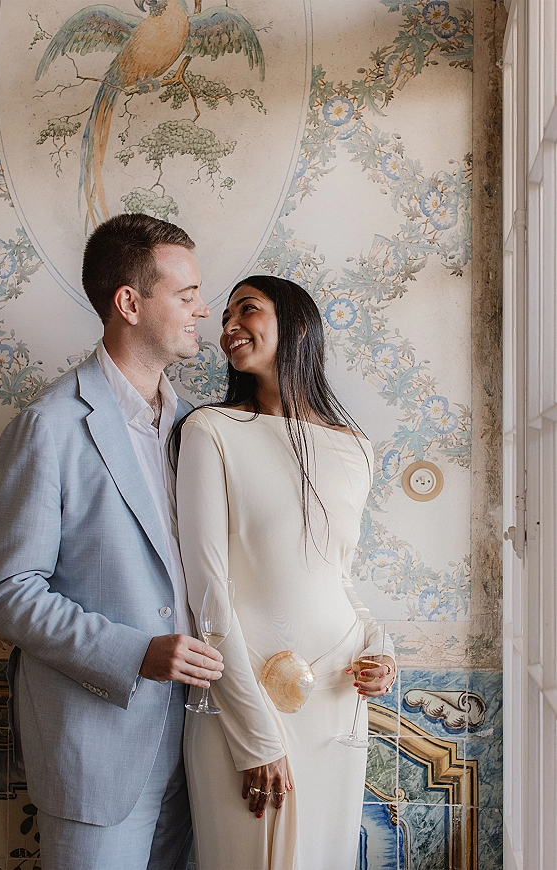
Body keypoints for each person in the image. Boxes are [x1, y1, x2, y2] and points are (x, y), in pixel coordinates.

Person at [0, 213, 224, 870]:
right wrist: (136, 652)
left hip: (202, 749)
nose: (204, 307)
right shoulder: (48, 427)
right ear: (129, 302)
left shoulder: (198, 426)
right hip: (97, 751)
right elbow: (6, 592)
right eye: (186, 293)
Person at [175, 275, 396, 870]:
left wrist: (381, 649)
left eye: (246, 310)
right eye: (223, 317)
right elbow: (207, 592)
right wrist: (255, 736)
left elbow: (339, 580)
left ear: (298, 325)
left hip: (334, 704)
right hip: (240, 702)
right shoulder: (210, 430)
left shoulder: (356, 448)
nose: (226, 329)